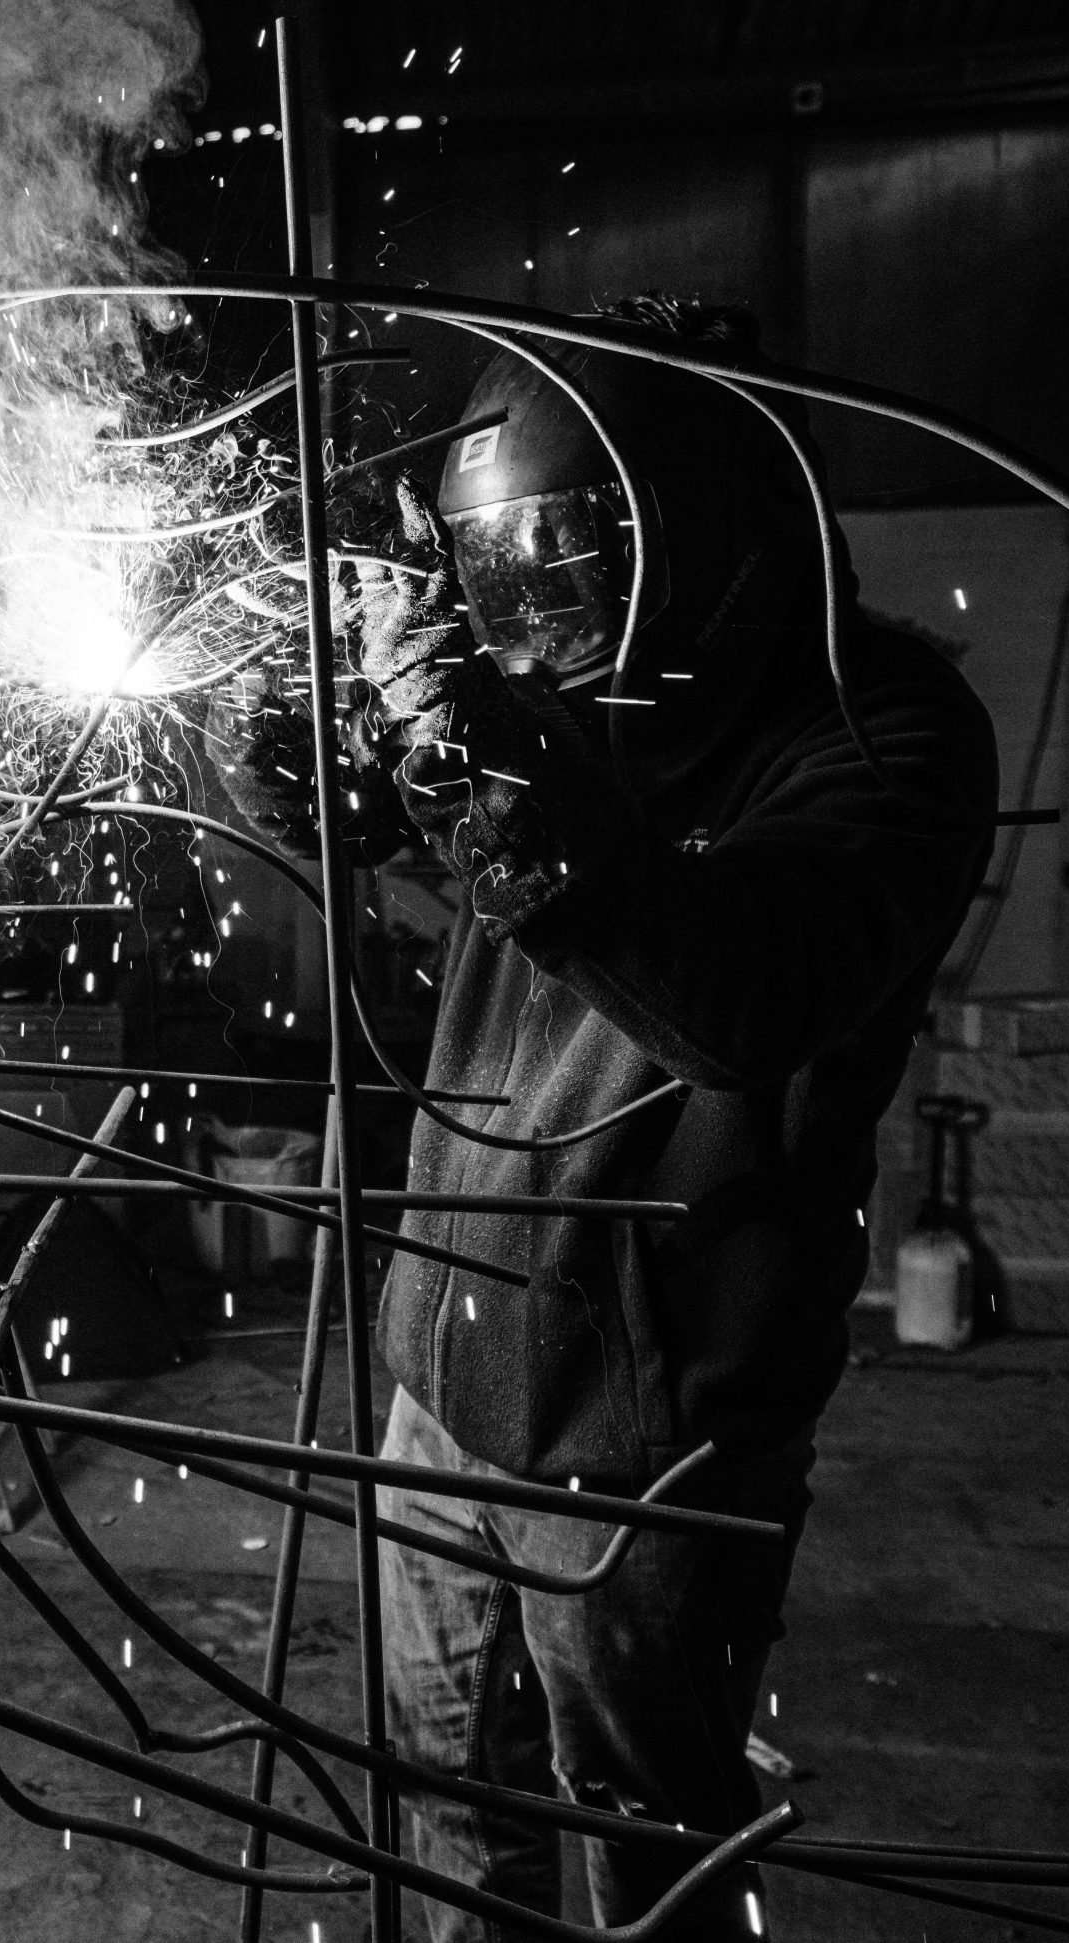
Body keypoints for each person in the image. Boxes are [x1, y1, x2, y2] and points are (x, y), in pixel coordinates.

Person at [220, 296, 999, 1939]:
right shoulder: (574, 697)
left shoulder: (885, 740)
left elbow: (740, 995)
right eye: (507, 584)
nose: (534, 627)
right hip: (444, 1381)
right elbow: (389, 817)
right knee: (446, 1818)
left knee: (650, 1867)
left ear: (698, 537)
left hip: (647, 1450)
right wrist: (301, 730)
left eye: (566, 571)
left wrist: (472, 737)